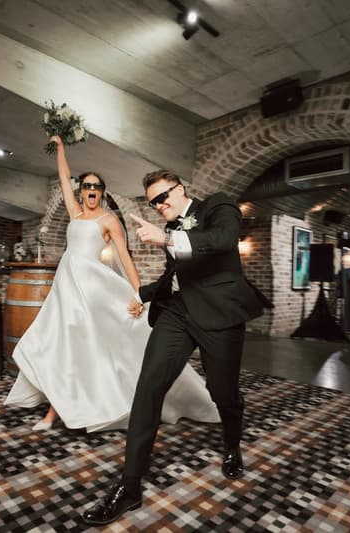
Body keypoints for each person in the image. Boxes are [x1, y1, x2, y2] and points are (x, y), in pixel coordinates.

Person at [82, 169, 268, 526]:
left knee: (223, 393)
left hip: (220, 316)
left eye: (164, 196)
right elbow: (175, 278)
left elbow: (224, 238)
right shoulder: (168, 230)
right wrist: (141, 295)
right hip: (179, 316)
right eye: (153, 202)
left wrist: (168, 240)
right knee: (149, 386)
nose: (160, 204)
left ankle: (231, 443)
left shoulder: (218, 205)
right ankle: (130, 486)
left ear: (181, 189)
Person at [4, 137, 220, 432]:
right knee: (56, 346)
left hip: (91, 292)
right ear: (81, 192)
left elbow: (126, 258)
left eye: (97, 187)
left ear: (102, 193)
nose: (91, 190)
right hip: (64, 289)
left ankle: (54, 414)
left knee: (73, 347)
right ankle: (58, 409)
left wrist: (138, 293)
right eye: (87, 186)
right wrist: (60, 150)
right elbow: (64, 180)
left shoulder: (109, 221)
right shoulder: (74, 212)